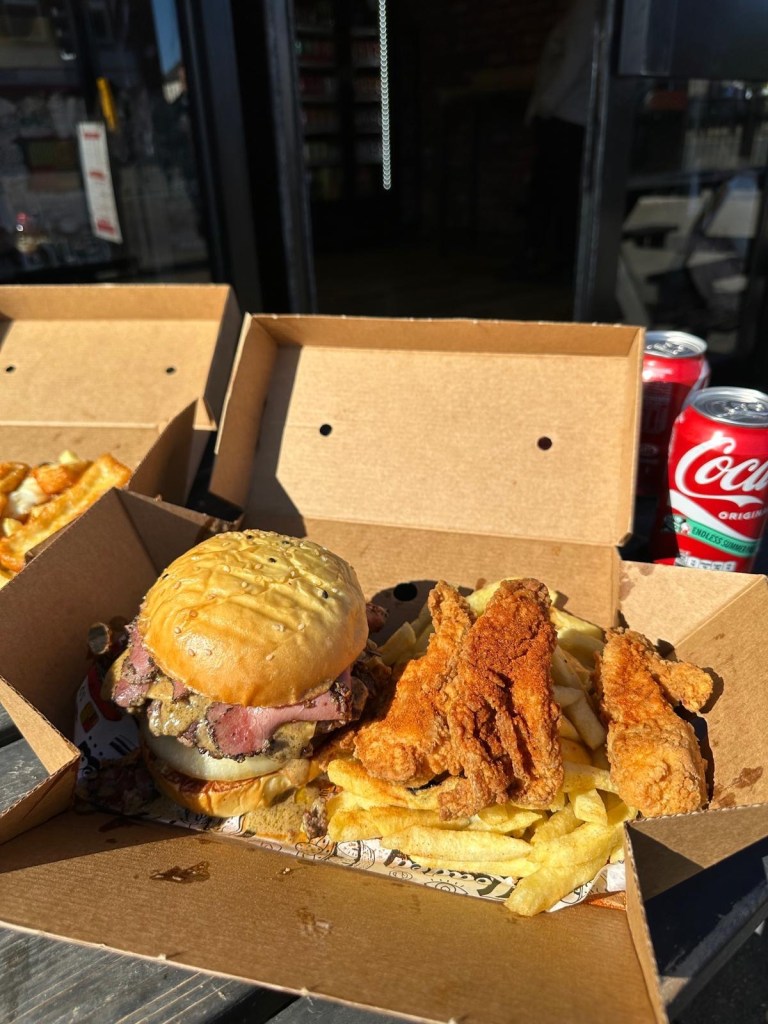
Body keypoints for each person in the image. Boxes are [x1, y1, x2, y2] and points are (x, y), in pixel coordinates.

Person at [522, 0, 599, 280]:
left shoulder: (586, 9)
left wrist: (544, 107)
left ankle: (546, 261)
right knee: (562, 195)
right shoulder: (588, 10)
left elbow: (571, 63)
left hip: (565, 116)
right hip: (571, 115)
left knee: (551, 194)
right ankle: (556, 262)